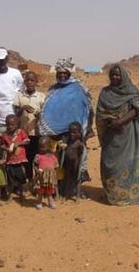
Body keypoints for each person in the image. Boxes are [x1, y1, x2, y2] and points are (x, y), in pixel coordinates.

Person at [96, 65, 139, 205]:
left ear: (124, 76)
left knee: (129, 162)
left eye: (117, 75)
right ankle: (114, 195)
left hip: (128, 135)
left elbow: (136, 110)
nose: (114, 77)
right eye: (112, 75)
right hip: (111, 135)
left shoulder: (132, 91)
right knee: (109, 164)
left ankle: (130, 194)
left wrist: (120, 122)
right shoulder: (105, 92)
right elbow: (100, 113)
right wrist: (110, 121)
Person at [38, 58, 94, 196]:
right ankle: (58, 189)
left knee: (75, 163)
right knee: (58, 162)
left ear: (69, 73)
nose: (62, 75)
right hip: (56, 134)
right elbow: (48, 110)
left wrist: (86, 130)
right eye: (59, 73)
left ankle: (75, 190)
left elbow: (88, 109)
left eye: (65, 73)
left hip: (75, 133)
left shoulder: (78, 88)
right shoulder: (53, 90)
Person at [13, 71, 45, 185]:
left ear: (36, 82)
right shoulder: (19, 95)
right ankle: (29, 181)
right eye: (27, 80)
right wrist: (23, 108)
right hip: (24, 134)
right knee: (27, 159)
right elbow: (15, 114)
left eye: (32, 80)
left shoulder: (41, 96)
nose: (29, 82)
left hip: (37, 133)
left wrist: (39, 115)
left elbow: (45, 115)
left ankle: (38, 182)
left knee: (38, 159)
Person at [0, 114, 29, 202]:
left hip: (19, 160)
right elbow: (2, 145)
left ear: (17, 125)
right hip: (10, 160)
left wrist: (18, 144)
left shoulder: (20, 132)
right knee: (10, 180)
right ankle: (10, 196)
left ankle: (21, 195)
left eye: (12, 124)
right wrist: (6, 148)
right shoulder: (5, 135)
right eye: (8, 124)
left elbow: (27, 141)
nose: (10, 126)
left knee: (21, 179)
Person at [58, 121, 86, 202]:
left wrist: (80, 166)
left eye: (74, 132)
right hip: (68, 164)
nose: (72, 134)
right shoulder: (68, 142)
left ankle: (77, 196)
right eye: (70, 132)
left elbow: (81, 155)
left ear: (79, 133)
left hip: (76, 164)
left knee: (77, 179)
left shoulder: (79, 144)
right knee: (67, 179)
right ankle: (65, 195)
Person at [32, 136, 59, 210]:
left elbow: (56, 166)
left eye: (43, 147)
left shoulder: (53, 156)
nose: (41, 149)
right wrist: (37, 170)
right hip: (41, 176)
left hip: (50, 176)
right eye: (39, 147)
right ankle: (39, 202)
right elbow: (34, 165)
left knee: (49, 190)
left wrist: (54, 175)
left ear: (48, 146)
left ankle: (50, 202)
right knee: (41, 190)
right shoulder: (38, 156)